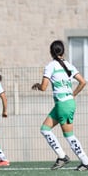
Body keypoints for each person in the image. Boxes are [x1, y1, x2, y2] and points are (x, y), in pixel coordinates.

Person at [32, 40, 88, 171]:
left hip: (63, 105)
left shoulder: (50, 66)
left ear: (51, 52)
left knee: (69, 135)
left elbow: (44, 87)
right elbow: (83, 82)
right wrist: (73, 94)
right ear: (63, 51)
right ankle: (62, 156)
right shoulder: (69, 65)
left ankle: (85, 161)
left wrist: (38, 86)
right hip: (64, 104)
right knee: (45, 129)